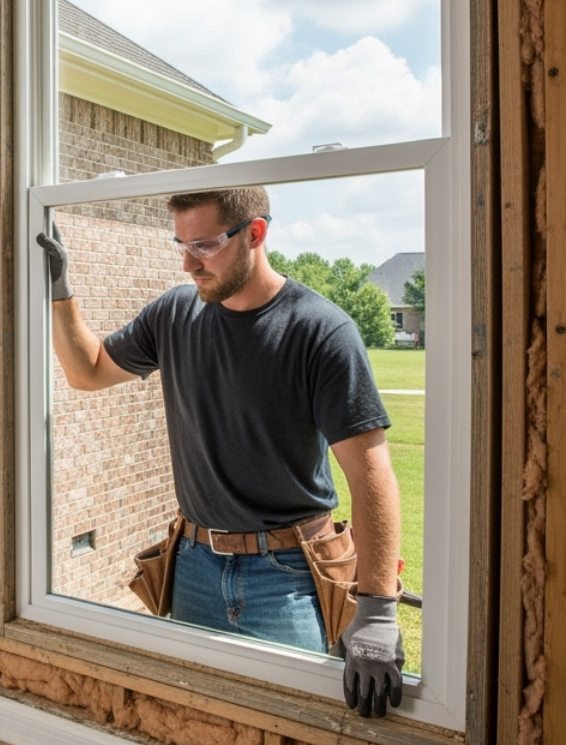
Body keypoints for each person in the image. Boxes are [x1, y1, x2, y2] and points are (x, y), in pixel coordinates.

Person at [37, 187, 406, 717]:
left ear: (255, 234)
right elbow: (87, 371)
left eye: (204, 245)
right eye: (181, 245)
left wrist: (375, 610)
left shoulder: (320, 331)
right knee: (200, 720)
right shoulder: (174, 315)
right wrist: (60, 290)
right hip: (194, 568)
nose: (188, 263)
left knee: (297, 723)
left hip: (288, 577)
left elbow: (371, 474)